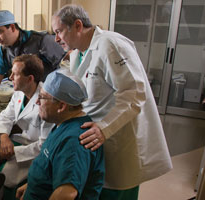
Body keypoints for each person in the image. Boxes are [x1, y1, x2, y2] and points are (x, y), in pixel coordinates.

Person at [51, 5, 172, 199]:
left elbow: (134, 93)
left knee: (119, 190)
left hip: (119, 138)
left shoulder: (110, 44)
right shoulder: (78, 53)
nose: (56, 39)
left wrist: (104, 128)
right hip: (97, 140)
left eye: (59, 32)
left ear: (78, 25)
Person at [16, 70, 105, 200]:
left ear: (61, 106)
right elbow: (52, 166)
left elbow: (66, 194)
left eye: (42, 97)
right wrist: (31, 185)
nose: (37, 102)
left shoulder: (75, 140)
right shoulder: (62, 124)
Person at [0, 10, 66, 115]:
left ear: (12, 27)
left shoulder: (42, 41)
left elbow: (66, 68)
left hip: (50, 99)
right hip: (24, 98)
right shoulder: (4, 50)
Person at [0, 54, 55, 190]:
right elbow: (5, 116)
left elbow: (45, 146)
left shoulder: (46, 104)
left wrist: (14, 152)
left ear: (30, 79)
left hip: (33, 154)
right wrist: (4, 136)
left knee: (4, 180)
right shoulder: (20, 92)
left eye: (15, 74)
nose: (10, 78)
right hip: (20, 142)